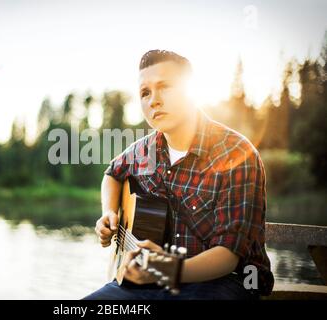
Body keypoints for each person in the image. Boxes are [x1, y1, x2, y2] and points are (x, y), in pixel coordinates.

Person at [83, 49, 274, 300]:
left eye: (165, 87)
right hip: (149, 282)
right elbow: (112, 173)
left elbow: (228, 256)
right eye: (145, 92)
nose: (154, 100)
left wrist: (166, 269)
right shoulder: (144, 149)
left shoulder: (237, 154)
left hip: (227, 282)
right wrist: (109, 212)